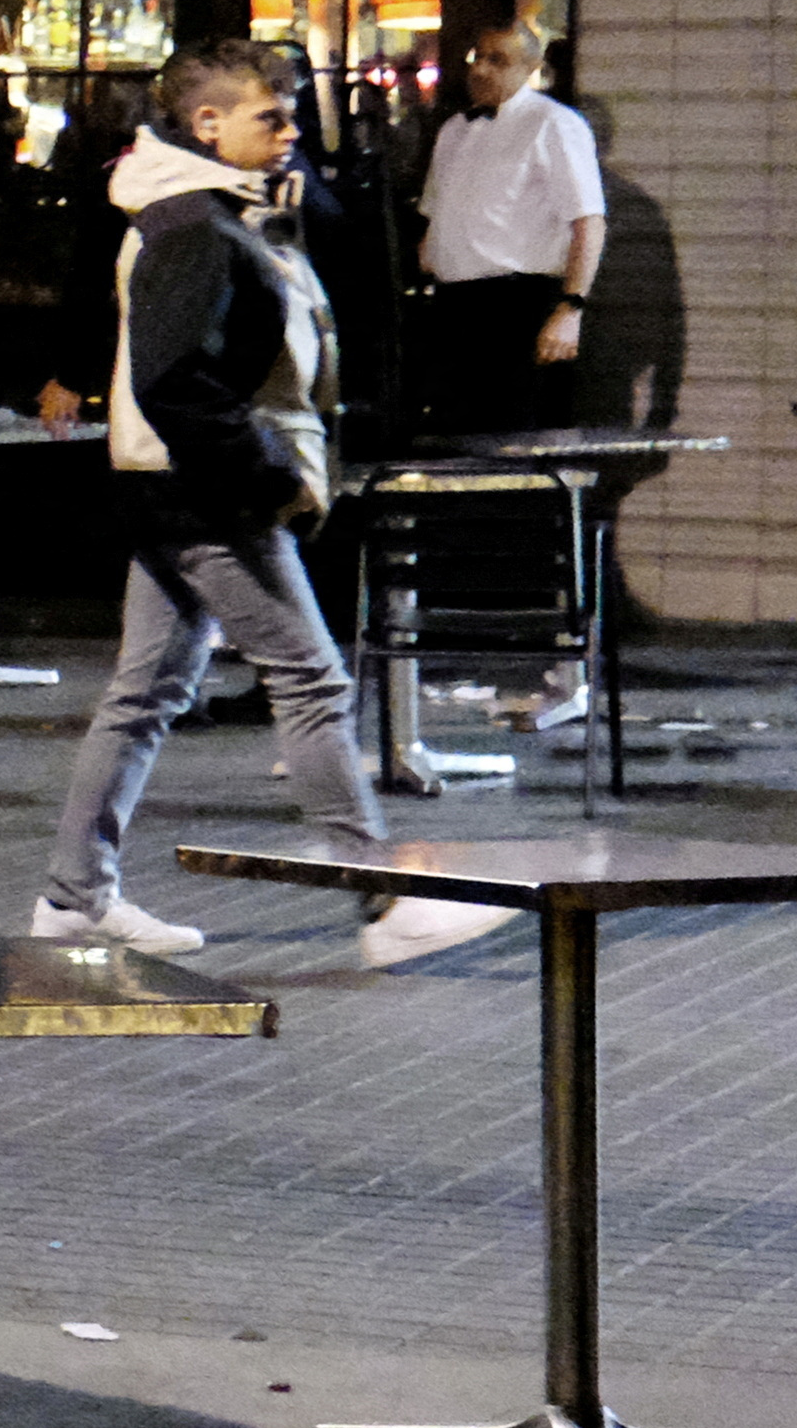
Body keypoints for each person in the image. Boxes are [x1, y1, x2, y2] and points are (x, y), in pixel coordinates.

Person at [38, 51, 498, 970]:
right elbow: (174, 380)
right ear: (207, 127)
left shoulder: (228, 206)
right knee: (311, 676)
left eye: (291, 117)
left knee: (147, 693)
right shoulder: (193, 224)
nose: (292, 135)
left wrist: (296, 185)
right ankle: (383, 898)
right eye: (270, 118)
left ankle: (74, 897)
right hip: (204, 492)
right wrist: (268, 480)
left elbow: (336, 252)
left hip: (175, 486)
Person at [413, 19, 605, 440]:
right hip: (454, 304)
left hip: (518, 303)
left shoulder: (553, 124)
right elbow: (437, 210)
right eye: (477, 58)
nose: (480, 69)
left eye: (497, 60)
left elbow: (588, 221)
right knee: (453, 434)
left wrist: (570, 307)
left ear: (530, 67)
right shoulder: (454, 131)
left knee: (516, 436)